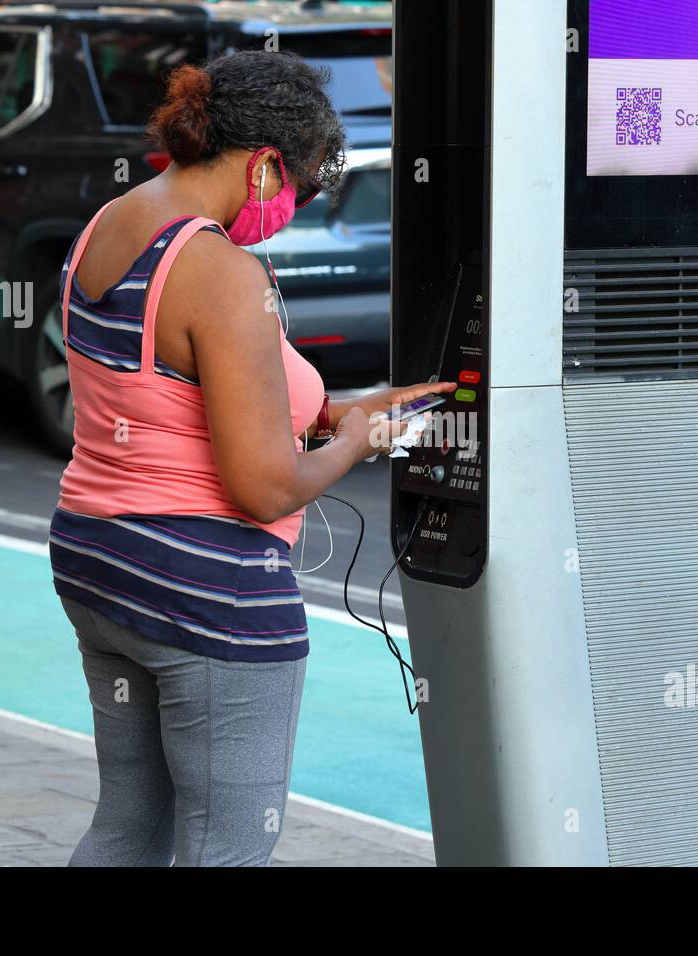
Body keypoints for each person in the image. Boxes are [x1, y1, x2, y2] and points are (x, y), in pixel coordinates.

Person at [49, 50, 453, 866]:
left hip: (98, 561)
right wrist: (356, 440)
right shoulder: (221, 273)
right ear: (267, 165)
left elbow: (166, 394)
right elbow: (266, 487)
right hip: (206, 588)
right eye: (297, 189)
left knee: (126, 824)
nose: (291, 210)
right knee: (227, 847)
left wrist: (335, 409)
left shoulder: (110, 222)